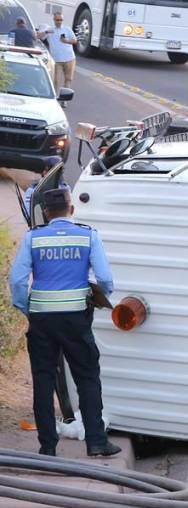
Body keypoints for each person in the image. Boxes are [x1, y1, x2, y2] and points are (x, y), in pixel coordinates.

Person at [8, 188, 120, 458]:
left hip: (42, 319)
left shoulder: (33, 238)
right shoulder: (88, 235)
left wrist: (27, 308)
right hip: (75, 320)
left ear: (46, 213)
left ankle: (48, 446)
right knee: (87, 377)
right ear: (72, 209)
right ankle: (96, 442)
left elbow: (18, 281)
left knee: (43, 380)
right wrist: (102, 294)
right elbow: (105, 278)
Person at [37, 12, 77, 94]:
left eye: (61, 20)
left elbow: (75, 40)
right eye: (57, 20)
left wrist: (67, 41)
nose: (59, 22)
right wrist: (46, 32)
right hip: (57, 60)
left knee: (68, 79)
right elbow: (38, 36)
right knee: (56, 80)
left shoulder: (67, 29)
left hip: (69, 58)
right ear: (54, 20)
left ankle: (64, 100)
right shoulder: (50, 30)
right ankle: (56, 97)